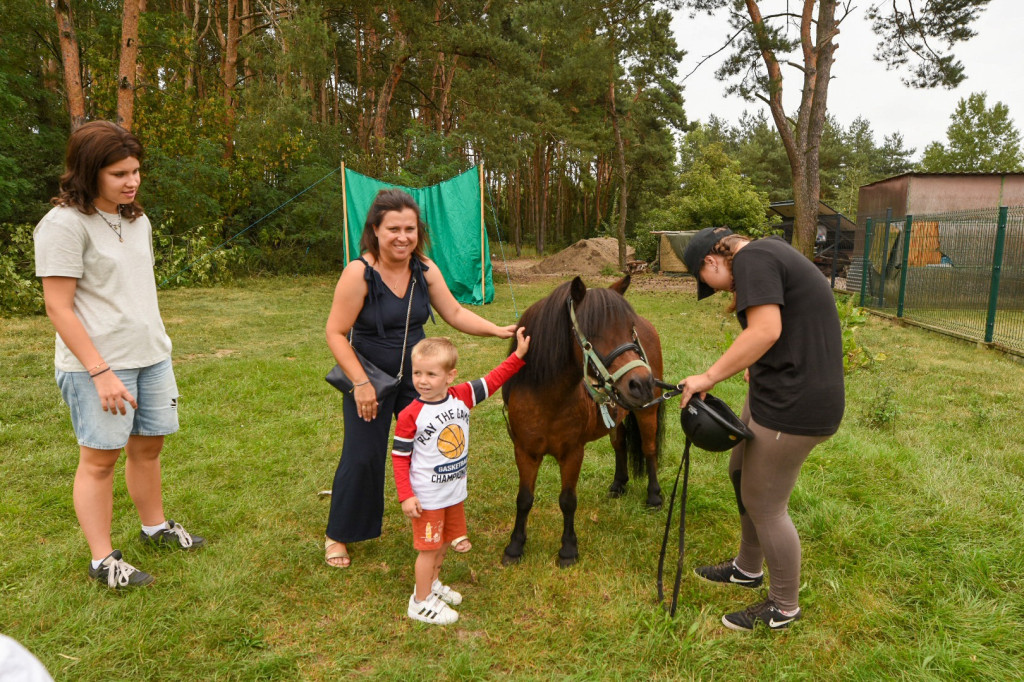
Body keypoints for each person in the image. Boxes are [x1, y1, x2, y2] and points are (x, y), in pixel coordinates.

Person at [34, 121, 203, 590]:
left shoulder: (136, 218)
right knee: (100, 459)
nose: (132, 181)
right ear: (89, 172)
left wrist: (156, 347)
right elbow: (58, 307)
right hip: (100, 366)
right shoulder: (63, 225)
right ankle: (102, 558)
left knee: (149, 448)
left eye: (136, 171)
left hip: (151, 355)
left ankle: (155, 528)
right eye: (118, 173)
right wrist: (101, 371)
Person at [323, 189, 515, 568]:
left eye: (409, 229)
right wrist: (360, 384)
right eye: (393, 228)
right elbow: (334, 332)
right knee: (363, 455)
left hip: (420, 377)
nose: (402, 237)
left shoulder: (424, 269)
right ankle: (338, 535)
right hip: (370, 379)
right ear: (375, 229)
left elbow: (455, 312)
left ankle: (442, 521)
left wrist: (497, 330)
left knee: (432, 450)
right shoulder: (358, 272)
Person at [677, 226, 844, 631]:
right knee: (740, 470)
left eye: (707, 283)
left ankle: (784, 606)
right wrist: (755, 366)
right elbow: (787, 326)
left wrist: (709, 376)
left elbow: (766, 329)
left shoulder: (751, 259)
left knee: (765, 502)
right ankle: (747, 568)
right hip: (777, 386)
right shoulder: (767, 253)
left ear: (712, 261)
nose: (716, 290)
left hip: (797, 399)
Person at [393, 330, 530, 624]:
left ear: (450, 376)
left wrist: (517, 356)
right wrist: (406, 495)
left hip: (453, 492)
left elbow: (493, 380)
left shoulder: (462, 396)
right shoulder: (410, 415)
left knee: (443, 543)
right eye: (417, 373)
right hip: (427, 498)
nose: (422, 381)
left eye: (431, 373)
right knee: (428, 549)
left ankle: (431, 585)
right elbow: (399, 457)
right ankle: (419, 601)